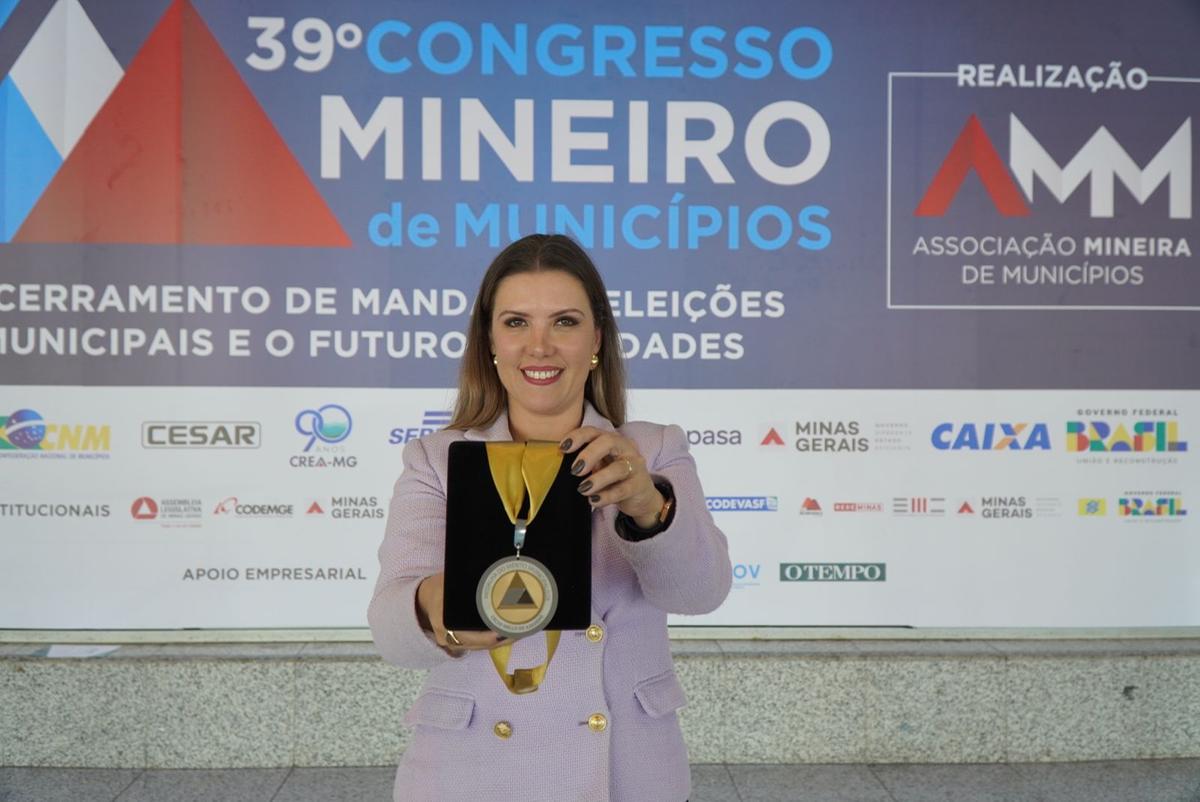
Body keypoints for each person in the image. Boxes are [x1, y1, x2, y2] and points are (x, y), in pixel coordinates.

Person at [368, 234, 732, 802]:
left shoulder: (652, 452)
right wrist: (450, 610)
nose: (539, 346)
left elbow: (701, 592)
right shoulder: (437, 461)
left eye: (564, 322)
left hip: (625, 775)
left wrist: (644, 504)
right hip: (469, 775)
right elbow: (391, 631)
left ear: (596, 341)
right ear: (489, 341)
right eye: (516, 323)